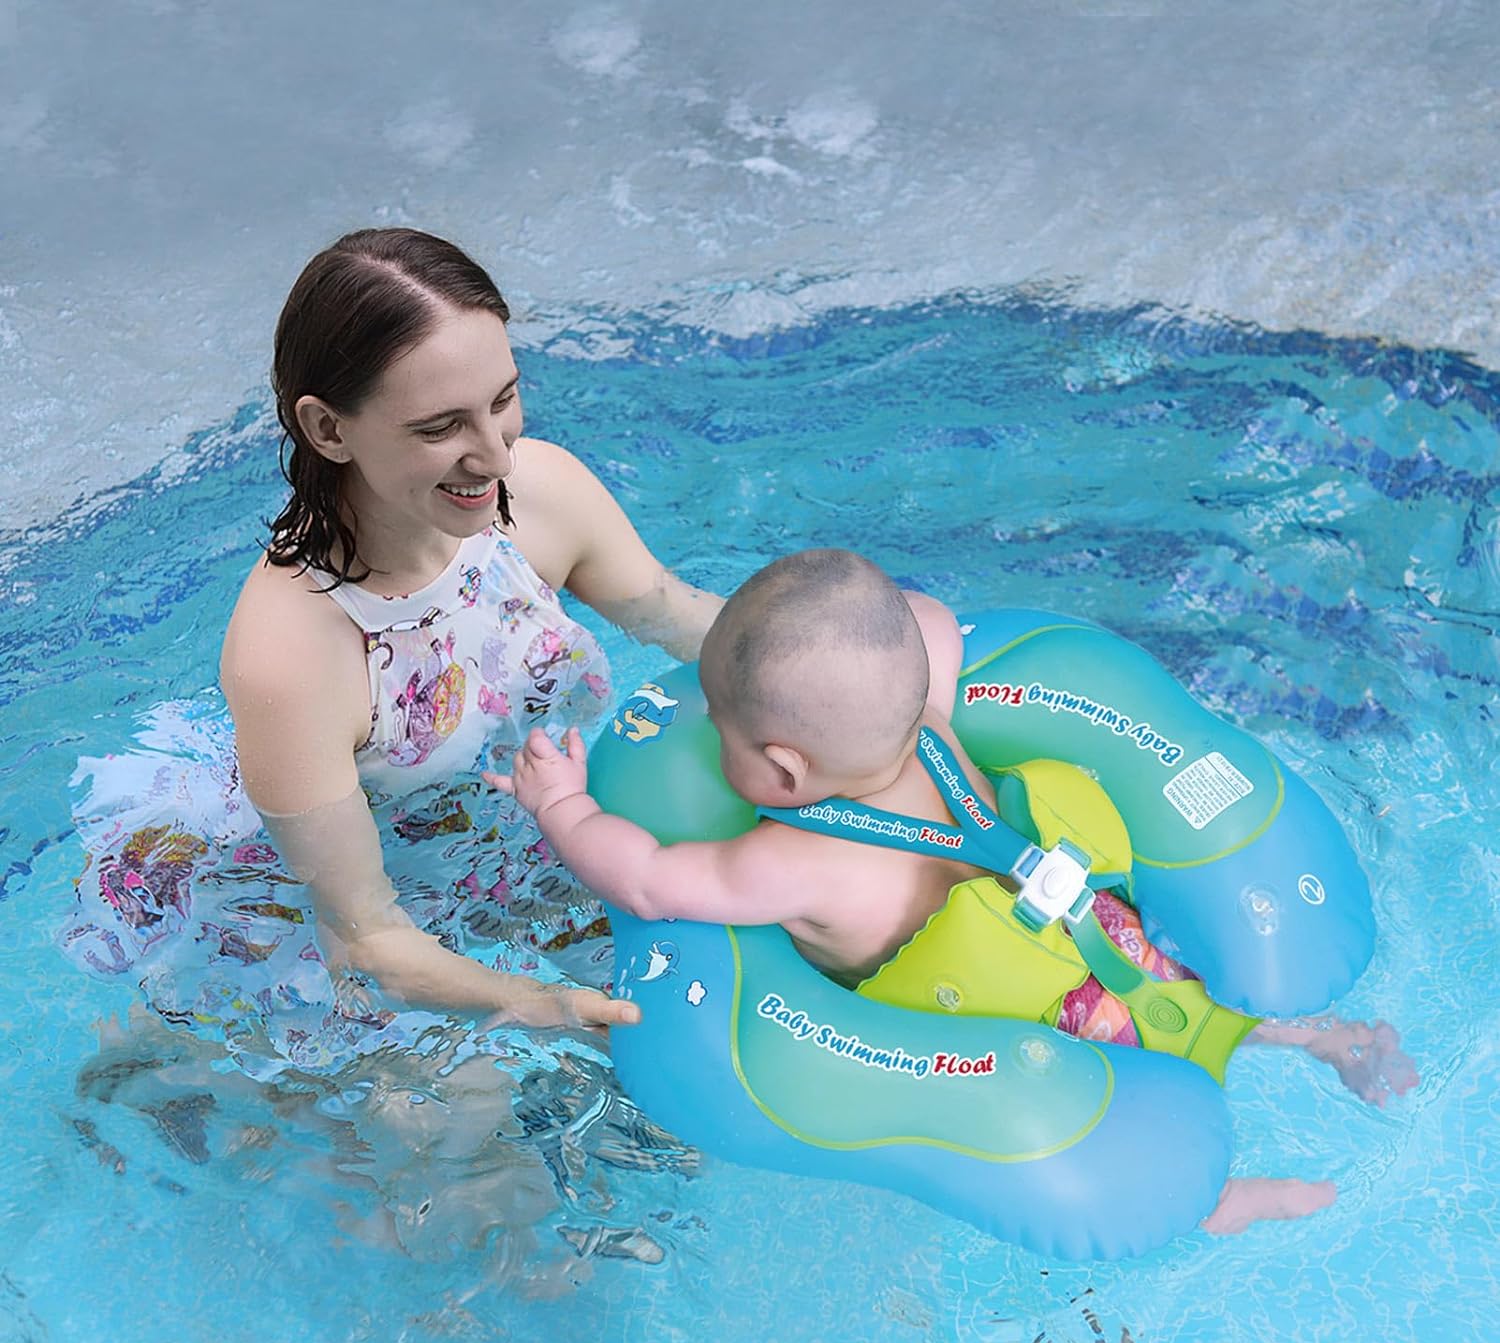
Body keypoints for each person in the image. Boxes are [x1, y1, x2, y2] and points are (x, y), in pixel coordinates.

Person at [493, 549, 1419, 1235]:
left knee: (1145, 1150)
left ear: (781, 769)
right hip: (1111, 942)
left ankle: (1232, 1202)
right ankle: (1316, 1038)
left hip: (1041, 1026)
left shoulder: (794, 860)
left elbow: (650, 884)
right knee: (1193, 1006)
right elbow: (926, 619)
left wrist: (564, 805)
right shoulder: (931, 717)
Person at [64, 226, 723, 1077]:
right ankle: (158, 1065)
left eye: (503, 400)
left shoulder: (540, 492)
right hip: (338, 910)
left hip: (526, 838)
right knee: (472, 1145)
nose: (494, 454)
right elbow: (365, 939)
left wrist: (871, 680)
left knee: (690, 1030)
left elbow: (678, 617)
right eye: (441, 426)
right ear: (328, 429)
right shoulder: (291, 654)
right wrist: (536, 1006)